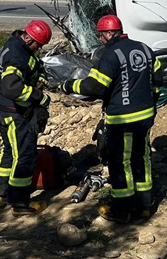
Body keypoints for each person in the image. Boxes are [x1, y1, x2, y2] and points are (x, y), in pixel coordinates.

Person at [59, 15, 159, 223]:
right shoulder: (144, 48)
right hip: (146, 115)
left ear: (109, 33)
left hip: (122, 118)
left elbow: (94, 87)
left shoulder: (111, 54)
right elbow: (156, 79)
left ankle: (122, 210)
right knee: (142, 158)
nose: (101, 40)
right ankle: (145, 206)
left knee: (120, 162)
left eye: (101, 36)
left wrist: (68, 86)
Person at [0, 20, 53, 216]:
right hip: (16, 112)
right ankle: (19, 203)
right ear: (29, 39)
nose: (40, 48)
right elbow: (12, 87)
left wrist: (39, 79)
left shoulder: (14, 44)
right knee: (25, 155)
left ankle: (2, 193)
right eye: (39, 45)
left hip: (3, 109)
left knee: (9, 150)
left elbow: (33, 66)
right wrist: (39, 97)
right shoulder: (18, 56)